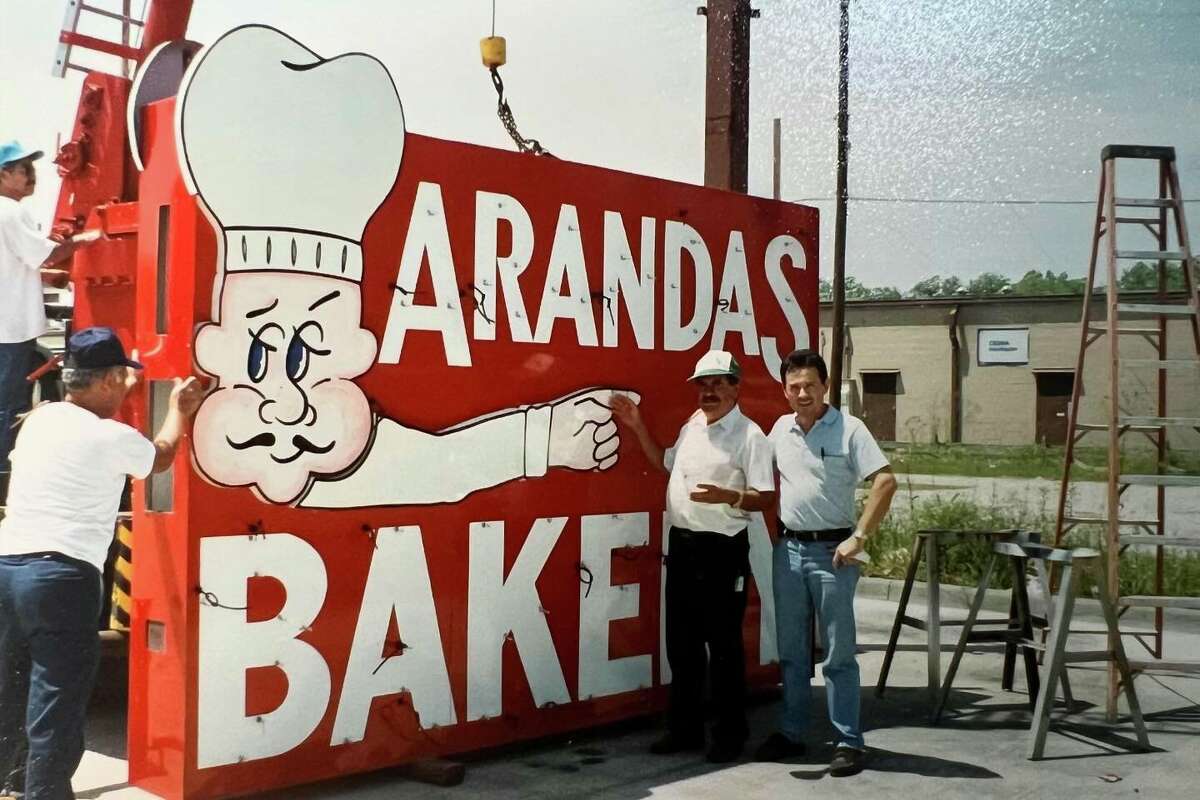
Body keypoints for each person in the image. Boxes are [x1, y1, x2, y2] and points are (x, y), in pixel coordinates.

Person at [0, 327, 204, 800]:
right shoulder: (110, 436)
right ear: (110, 378)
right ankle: (45, 792)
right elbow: (162, 457)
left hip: (9, 567)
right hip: (60, 576)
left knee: (10, 684)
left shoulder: (41, 419)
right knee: (58, 694)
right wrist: (179, 411)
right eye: (124, 378)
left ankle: (9, 781)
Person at [611, 350, 774, 763]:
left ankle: (729, 735)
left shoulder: (751, 436)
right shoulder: (692, 426)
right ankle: (685, 730)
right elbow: (664, 463)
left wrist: (729, 496)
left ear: (736, 387)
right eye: (703, 384)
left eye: (719, 383)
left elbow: (766, 497)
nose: (709, 392)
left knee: (722, 647)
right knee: (681, 646)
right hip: (683, 547)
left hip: (722, 551)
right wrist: (636, 426)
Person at [754, 349, 896, 777]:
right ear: (784, 390)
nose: (802, 394)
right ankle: (793, 732)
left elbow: (885, 481)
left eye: (810, 386)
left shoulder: (850, 429)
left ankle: (848, 741)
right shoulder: (780, 429)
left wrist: (860, 537)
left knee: (838, 653)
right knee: (793, 651)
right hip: (789, 551)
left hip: (834, 553)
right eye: (794, 387)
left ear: (826, 386)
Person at [0, 140, 83, 488]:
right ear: (3, 174)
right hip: (11, 330)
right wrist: (88, 239)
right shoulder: (10, 211)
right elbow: (47, 256)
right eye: (23, 169)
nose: (31, 175)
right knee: (10, 407)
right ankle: (6, 477)